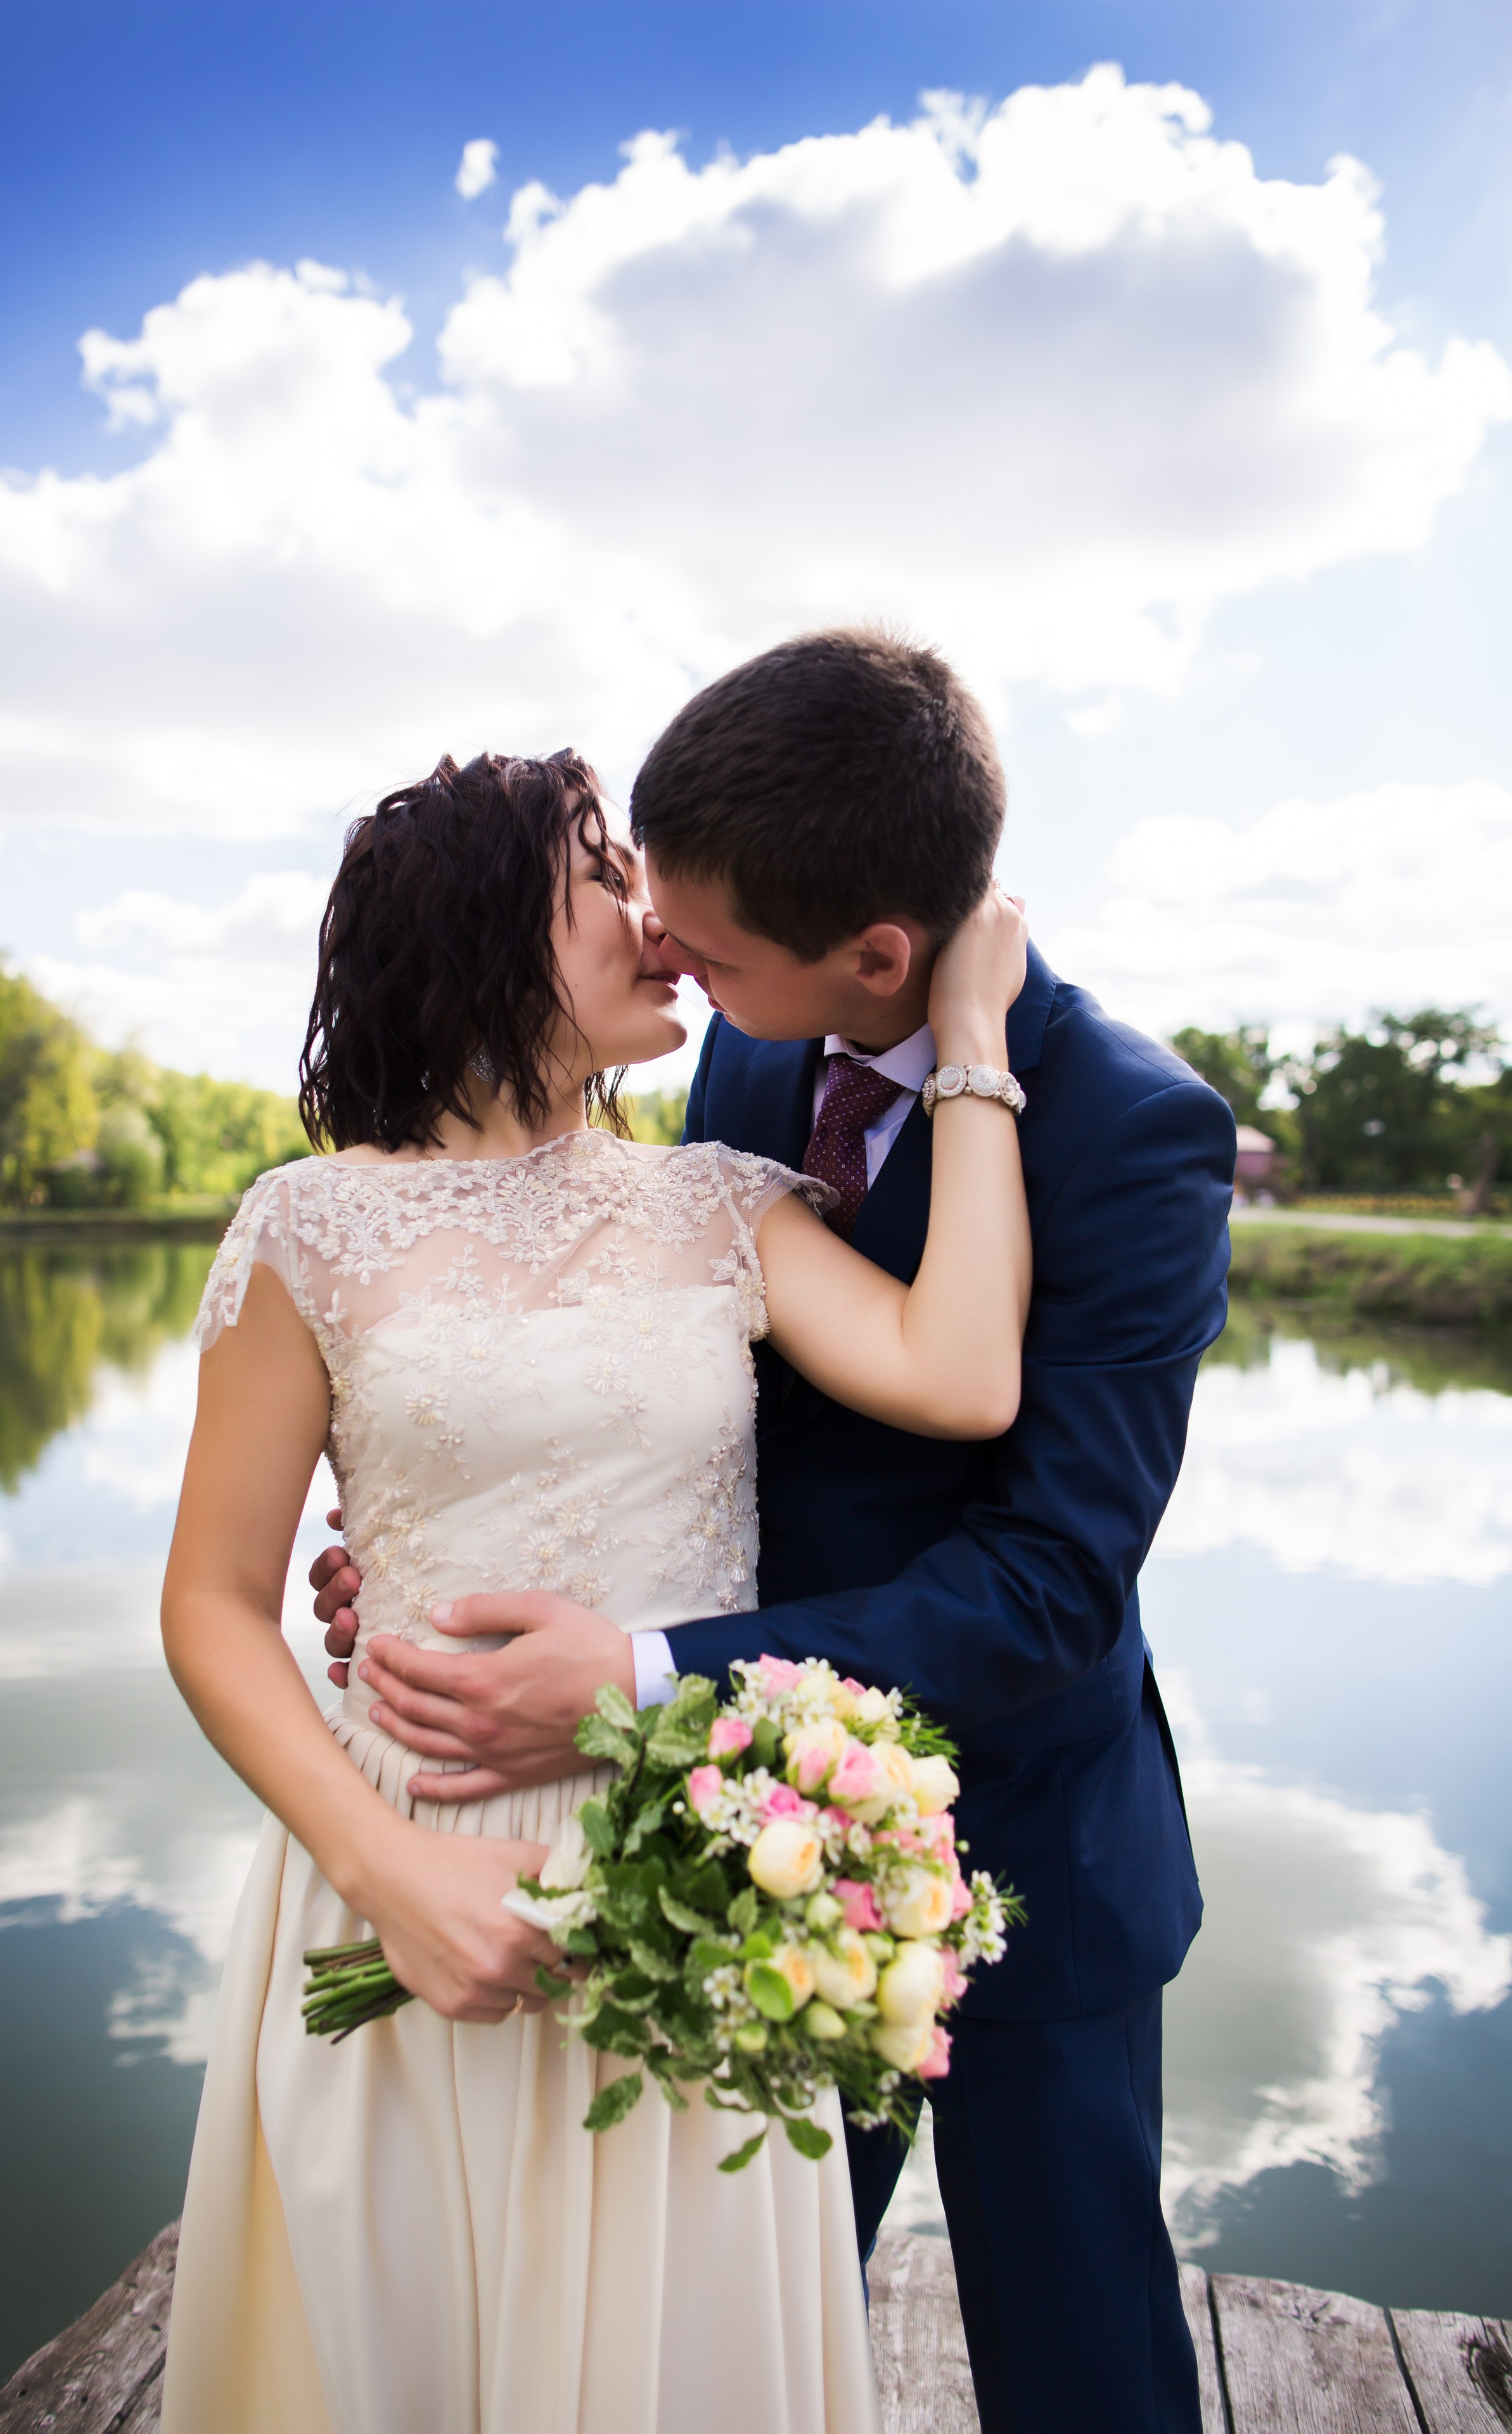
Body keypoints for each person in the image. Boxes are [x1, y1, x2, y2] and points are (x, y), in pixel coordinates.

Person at [316, 631, 1237, 2434]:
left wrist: (649, 1669)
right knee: (742, 2342)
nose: (670, 952)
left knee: (1081, 2357)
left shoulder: (1137, 1132)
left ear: (880, 955)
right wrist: (453, 1557)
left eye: (710, 946)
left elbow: (1053, 1575)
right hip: (728, 1852)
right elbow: (672, 1381)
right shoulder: (744, 1060)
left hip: (1024, 1845)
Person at [158, 735, 1030, 2434]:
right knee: (400, 2339)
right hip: (402, 1852)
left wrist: (976, 1049)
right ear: (486, 935)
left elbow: (966, 1369)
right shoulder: (306, 1231)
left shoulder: (721, 1207)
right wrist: (387, 1863)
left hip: (689, 1867)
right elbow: (211, 1603)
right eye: (606, 879)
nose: (662, 922)